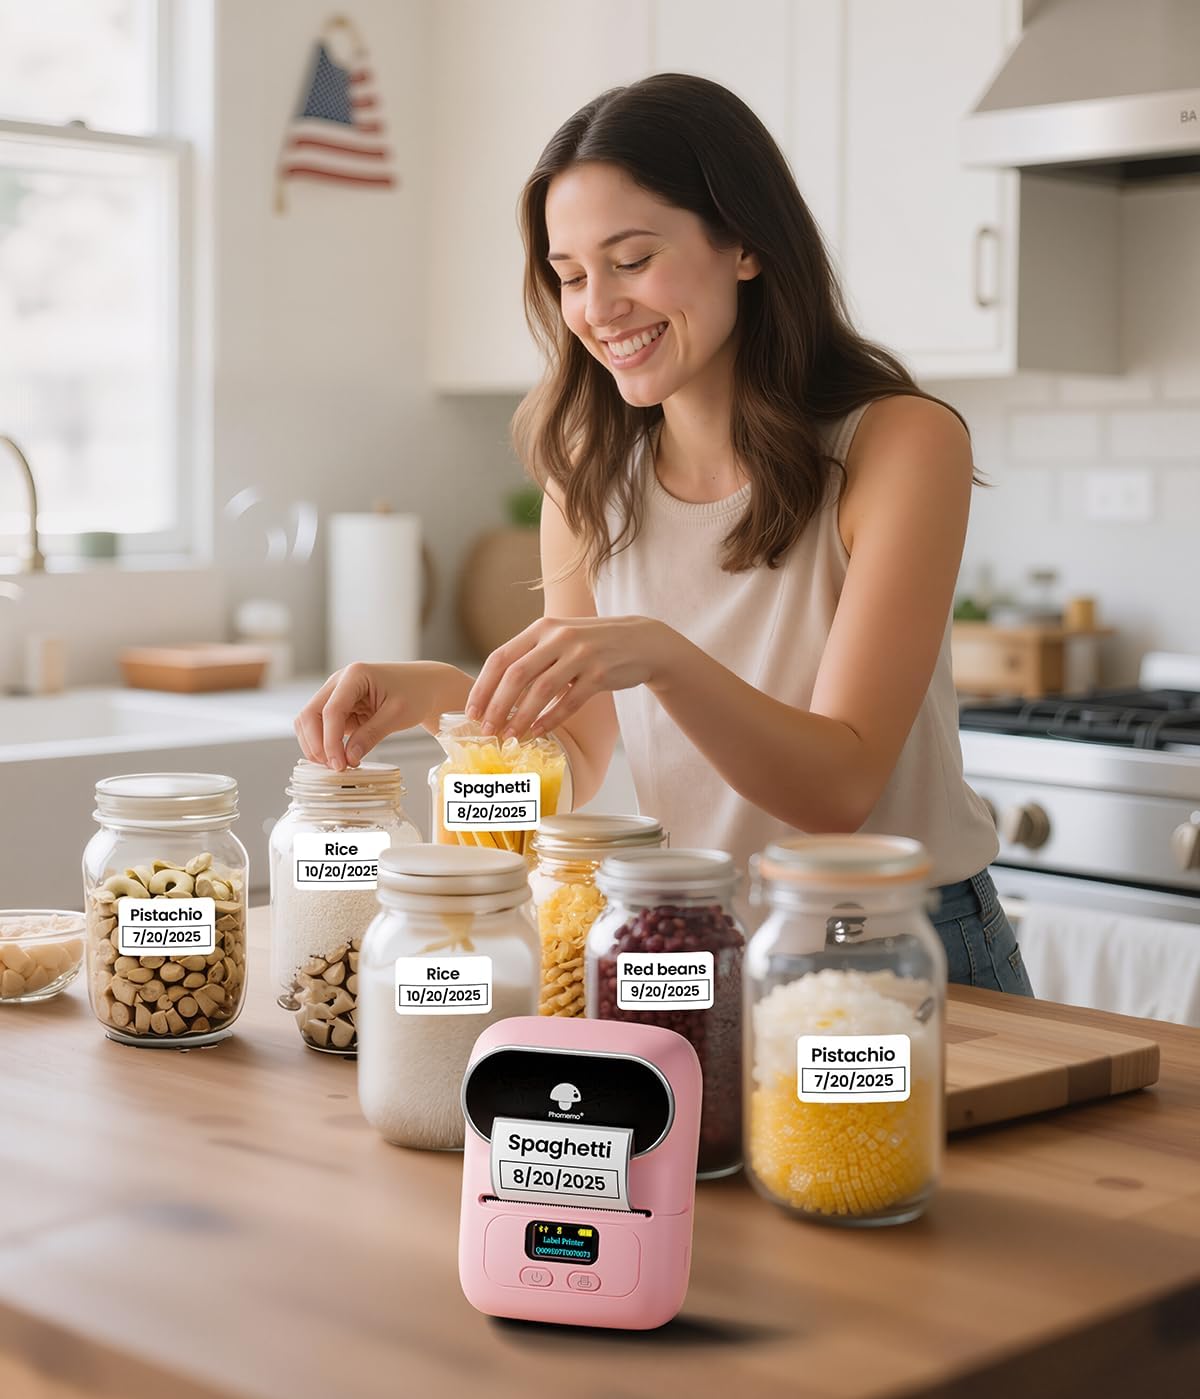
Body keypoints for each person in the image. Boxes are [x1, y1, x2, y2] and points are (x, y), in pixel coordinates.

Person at [295, 73, 1032, 997]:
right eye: (570, 277)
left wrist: (659, 655)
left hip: (890, 944)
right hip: (696, 943)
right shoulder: (587, 473)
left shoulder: (899, 443)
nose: (598, 308)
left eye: (633, 260)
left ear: (746, 245)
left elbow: (838, 790)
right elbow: (576, 754)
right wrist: (442, 699)